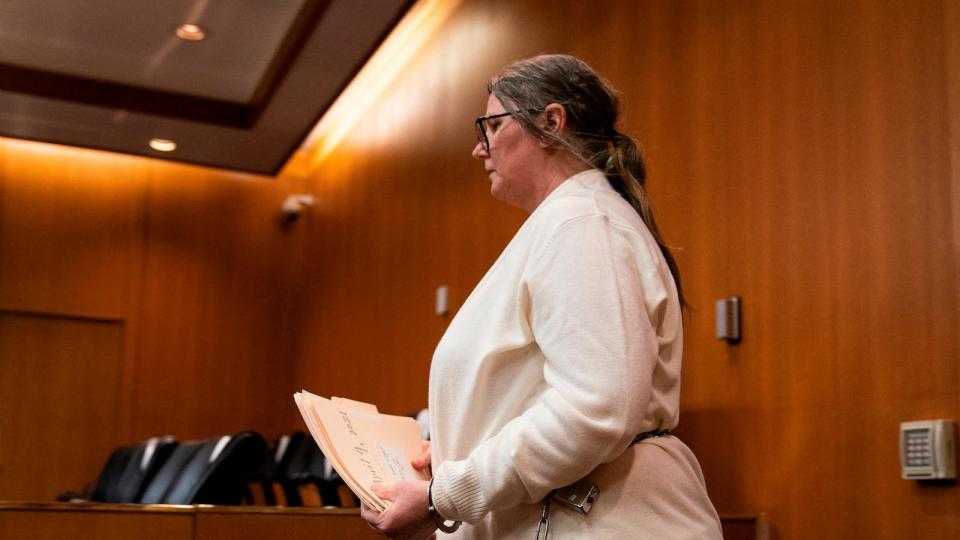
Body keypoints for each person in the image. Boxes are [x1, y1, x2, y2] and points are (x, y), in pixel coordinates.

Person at [361, 54, 722, 539]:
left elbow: (597, 407)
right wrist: (460, 450)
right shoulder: (567, 223)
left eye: (490, 125)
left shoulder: (582, 223)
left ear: (551, 122)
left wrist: (442, 495)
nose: (478, 149)